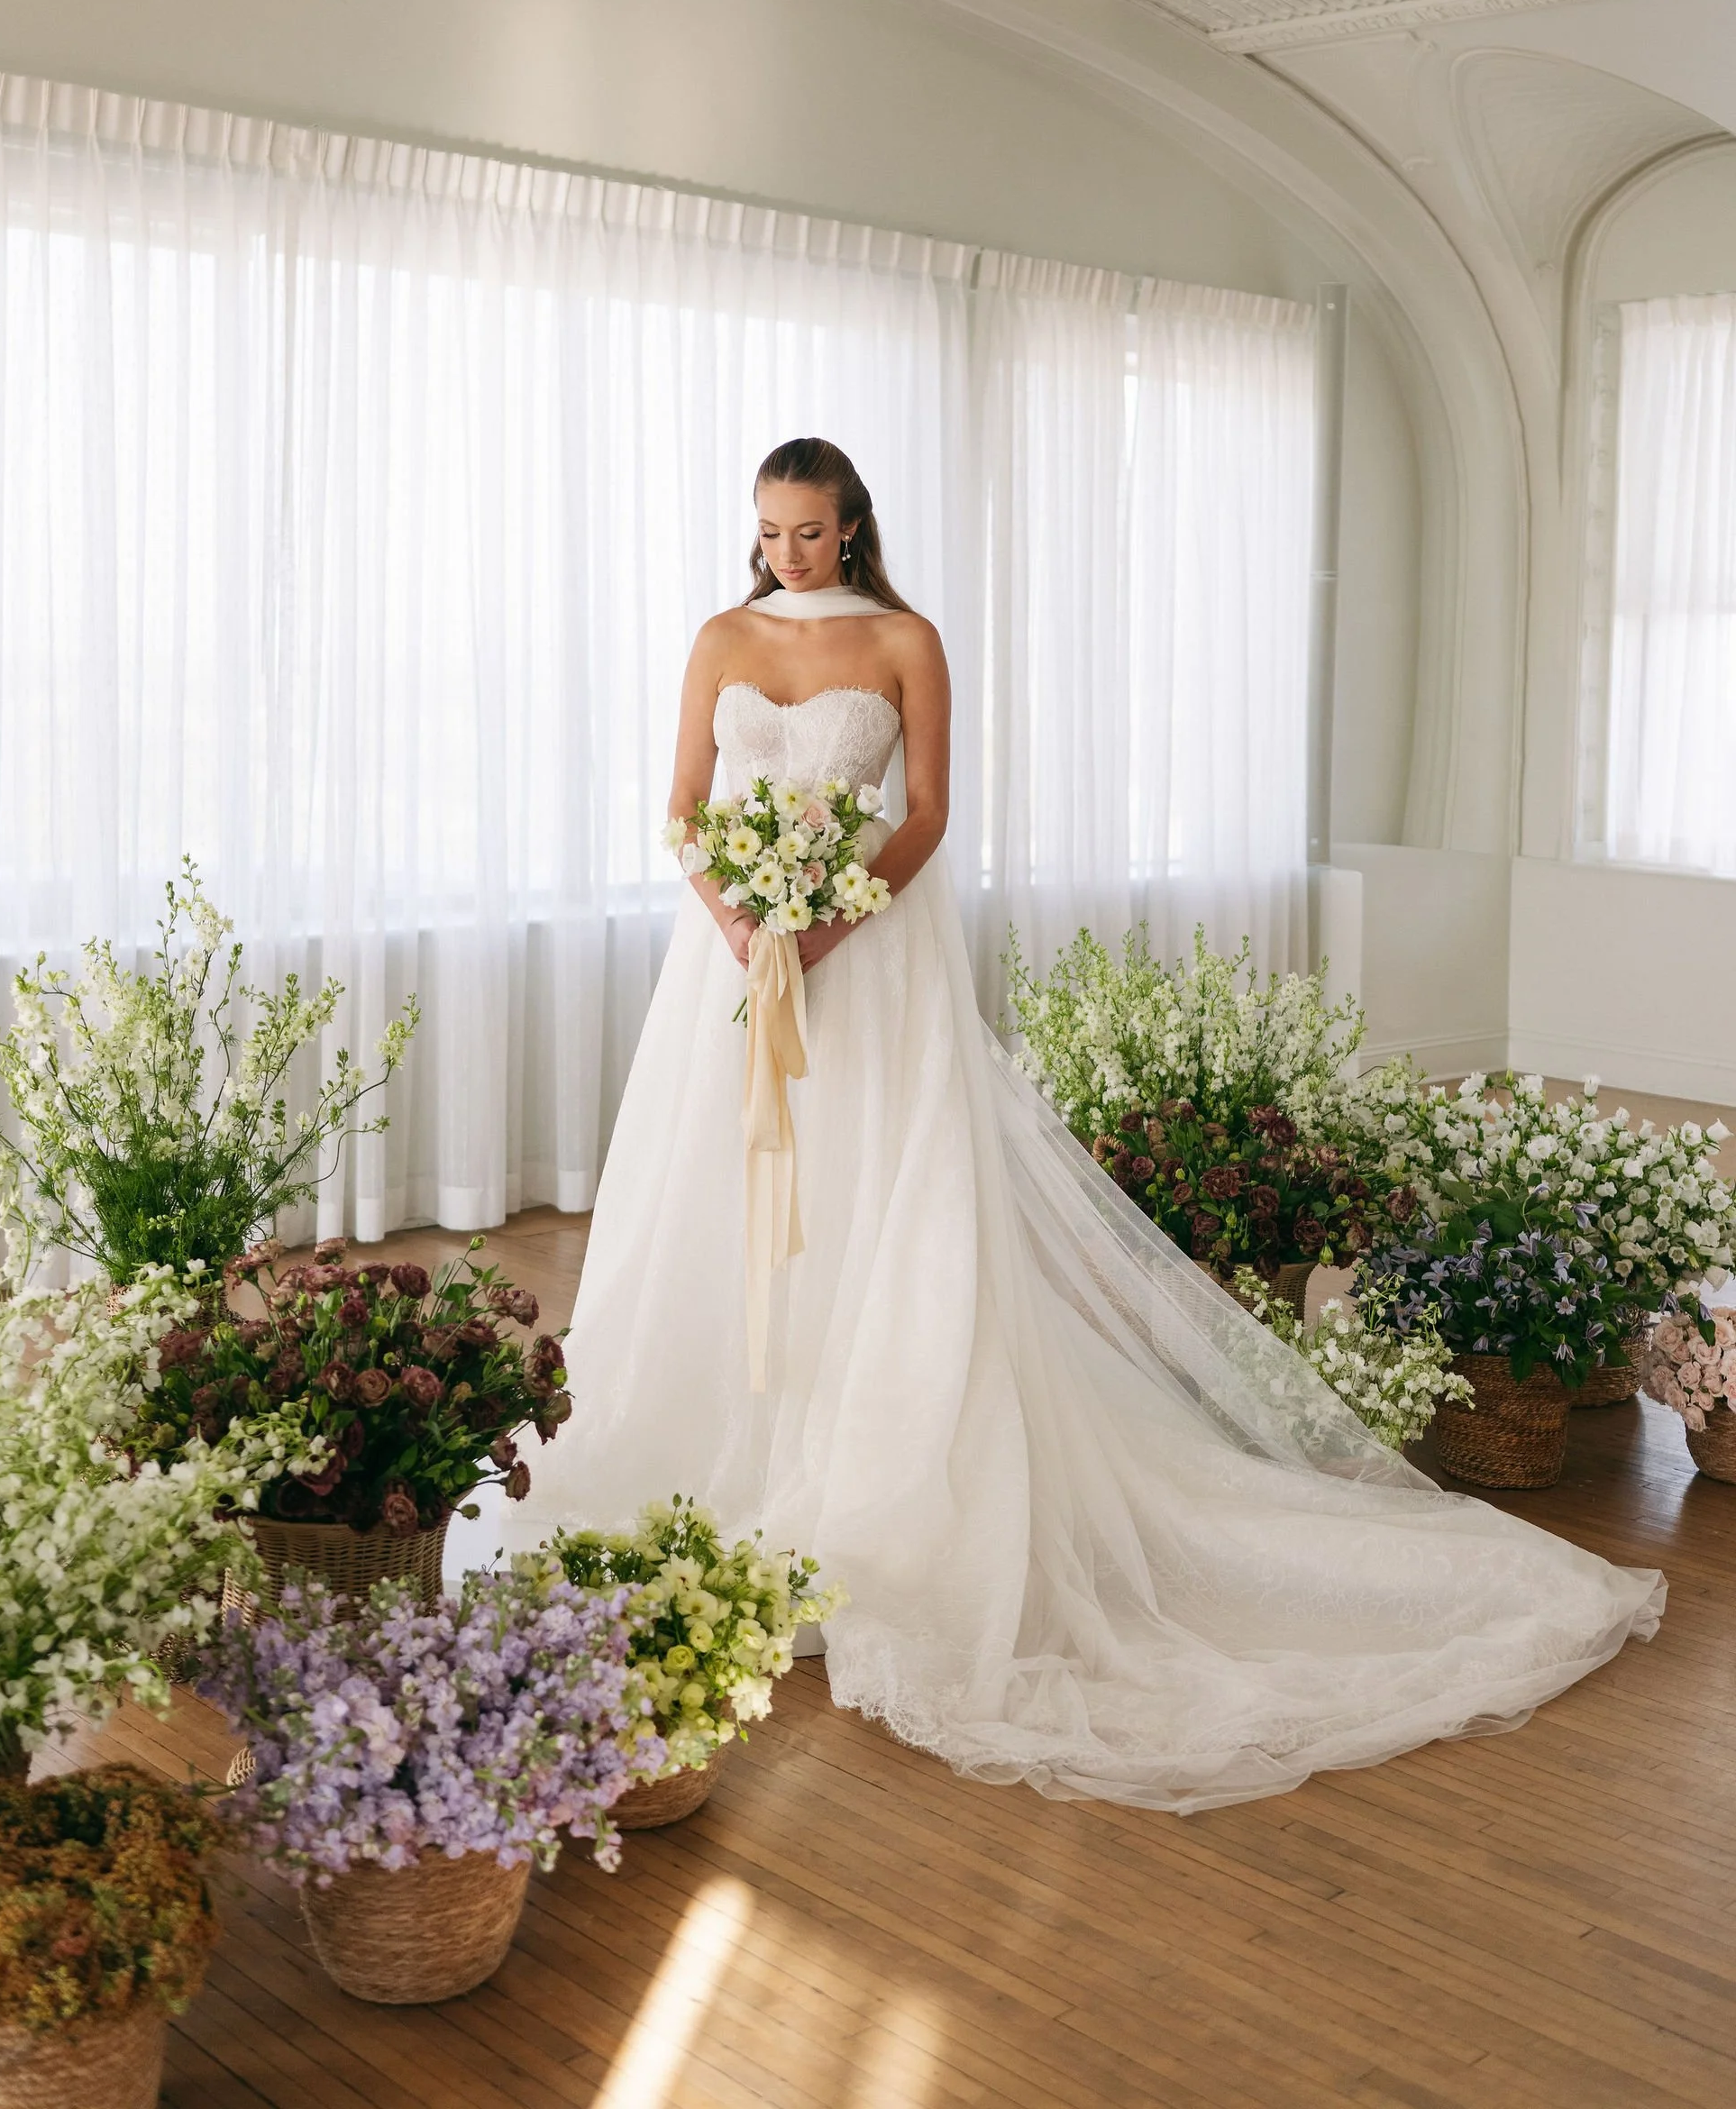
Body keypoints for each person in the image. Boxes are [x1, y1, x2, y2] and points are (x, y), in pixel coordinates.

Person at [503, 435, 1663, 1812]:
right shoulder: (719, 636)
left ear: (855, 526)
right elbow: (687, 811)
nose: (784, 556)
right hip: (737, 958)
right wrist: (744, 927)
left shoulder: (909, 641)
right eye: (768, 533)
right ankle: (723, 1445)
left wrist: (822, 931)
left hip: (864, 957)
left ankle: (873, 1472)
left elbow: (927, 818)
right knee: (723, 1198)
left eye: (808, 533)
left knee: (878, 1195)